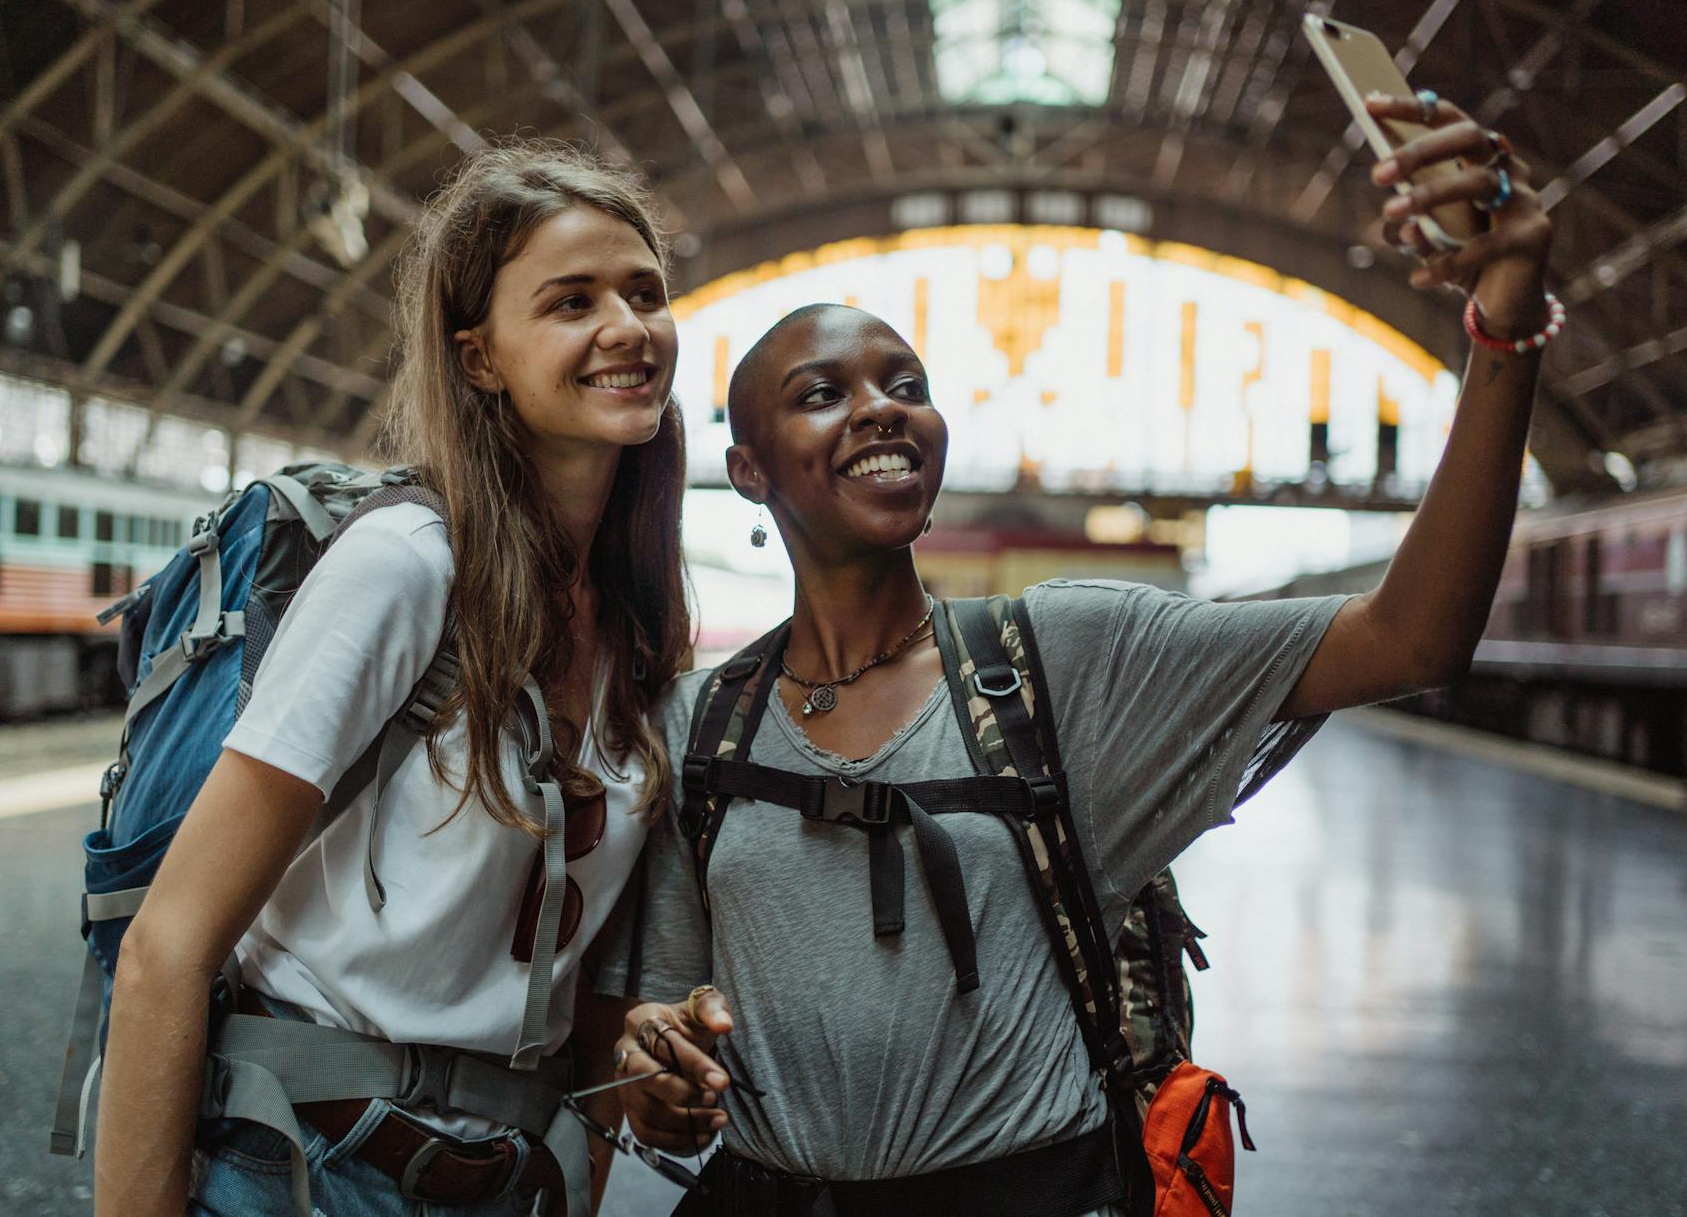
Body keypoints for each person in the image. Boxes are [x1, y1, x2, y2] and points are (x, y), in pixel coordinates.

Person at [598, 91, 1556, 1216]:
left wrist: (1502, 332)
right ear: (748, 470)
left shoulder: (1065, 659)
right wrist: (655, 1076)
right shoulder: (699, 727)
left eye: (905, 386)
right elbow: (653, 1030)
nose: (880, 409)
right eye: (822, 394)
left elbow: (1411, 636)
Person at [92, 141, 690, 1217]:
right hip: (309, 1170)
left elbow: (589, 971)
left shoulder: (640, 615)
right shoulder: (408, 564)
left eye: (643, 292)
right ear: (478, 358)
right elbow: (168, 946)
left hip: (516, 1177)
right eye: (570, 302)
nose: (627, 327)